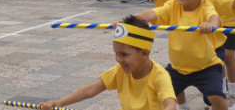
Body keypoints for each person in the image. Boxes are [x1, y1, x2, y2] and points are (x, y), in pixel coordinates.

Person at [148, 0, 235, 110]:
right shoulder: (175, 1)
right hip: (180, 62)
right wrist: (132, 20)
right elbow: (153, 3)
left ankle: (231, 93)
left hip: (208, 50)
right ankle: (182, 106)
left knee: (213, 95)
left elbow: (223, 12)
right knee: (163, 92)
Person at [39, 15, 177, 110]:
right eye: (116, 53)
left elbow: (170, 104)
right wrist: (59, 103)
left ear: (145, 53)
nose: (118, 59)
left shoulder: (160, 76)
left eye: (124, 54)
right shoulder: (121, 70)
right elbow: (92, 88)